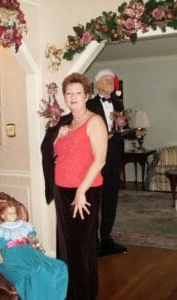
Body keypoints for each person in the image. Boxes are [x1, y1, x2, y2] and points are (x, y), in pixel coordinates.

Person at [41, 72, 108, 300]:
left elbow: (100, 160)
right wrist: (58, 138)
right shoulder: (65, 122)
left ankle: (85, 294)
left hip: (84, 192)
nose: (73, 97)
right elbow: (54, 154)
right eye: (69, 93)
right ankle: (69, 293)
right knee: (66, 246)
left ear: (87, 95)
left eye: (78, 92)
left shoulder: (95, 121)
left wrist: (81, 191)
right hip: (63, 192)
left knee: (82, 247)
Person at [0, 201, 68, 300]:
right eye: (10, 213)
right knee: (32, 273)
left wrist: (38, 246)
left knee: (58, 266)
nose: (13, 215)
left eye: (14, 213)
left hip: (28, 252)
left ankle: (53, 296)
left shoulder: (23, 225)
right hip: (12, 257)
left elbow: (32, 238)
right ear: (2, 215)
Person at [86, 68, 128, 256]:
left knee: (111, 199)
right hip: (95, 159)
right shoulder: (89, 104)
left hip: (114, 158)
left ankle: (107, 237)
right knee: (94, 200)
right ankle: (92, 241)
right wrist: (105, 135)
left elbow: (121, 127)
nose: (111, 82)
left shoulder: (118, 103)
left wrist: (127, 128)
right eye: (107, 79)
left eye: (112, 79)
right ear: (97, 83)